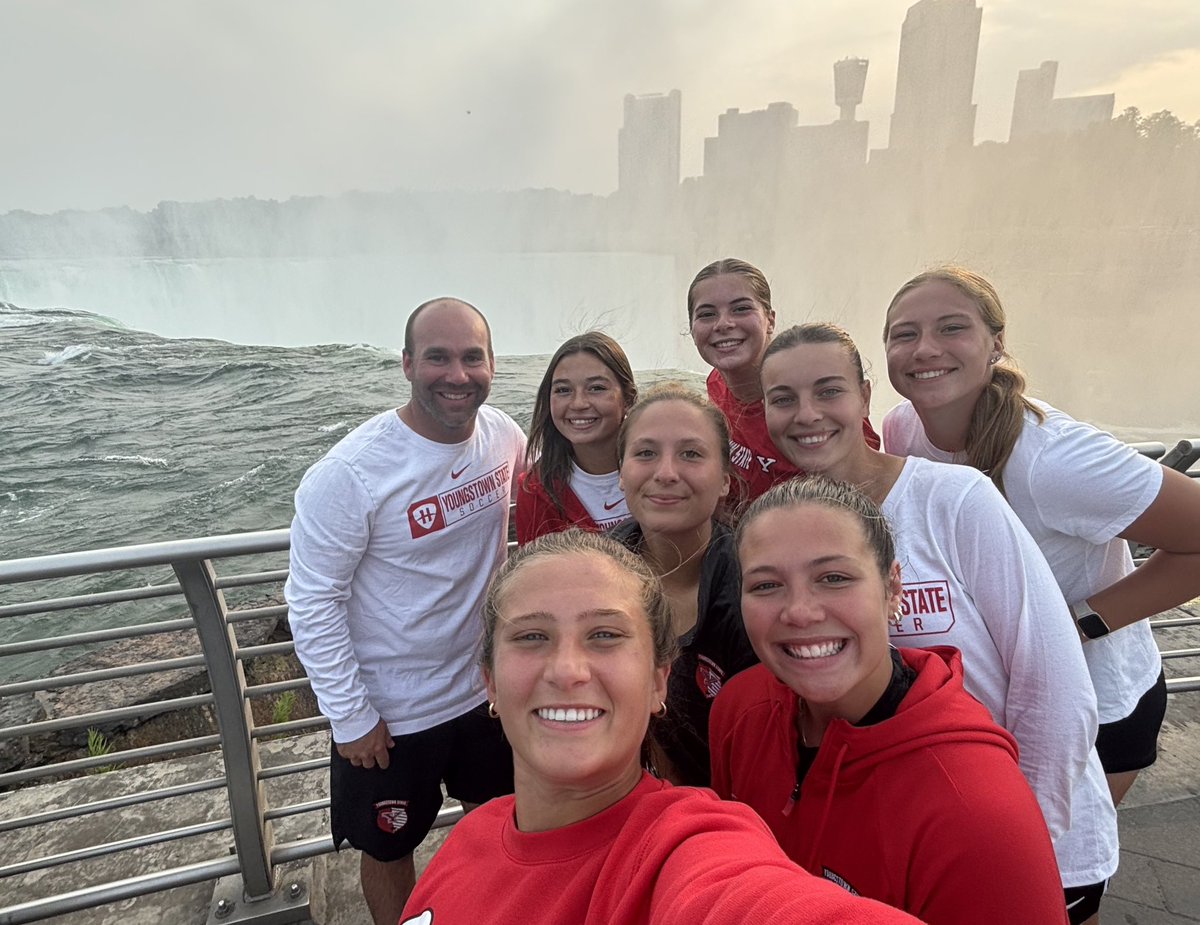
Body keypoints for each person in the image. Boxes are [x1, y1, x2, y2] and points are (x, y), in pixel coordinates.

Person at [759, 322, 1115, 924]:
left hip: (1028, 833)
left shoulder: (953, 500)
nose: (807, 414)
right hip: (899, 835)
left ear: (865, 395)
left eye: (828, 390)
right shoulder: (798, 521)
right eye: (783, 398)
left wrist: (1016, 837)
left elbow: (1055, 686)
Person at [400, 529, 927, 925]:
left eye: (605, 635)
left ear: (658, 681)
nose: (567, 670)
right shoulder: (470, 837)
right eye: (531, 637)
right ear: (490, 682)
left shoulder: (682, 853)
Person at [882, 267, 1199, 810]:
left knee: (1053, 858)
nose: (925, 348)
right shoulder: (901, 429)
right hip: (994, 701)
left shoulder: (1054, 459)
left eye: (952, 327)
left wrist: (1079, 624)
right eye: (904, 334)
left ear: (996, 343)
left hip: (1095, 706)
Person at [711, 477, 1067, 925]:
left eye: (834, 578)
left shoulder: (980, 813)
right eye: (766, 585)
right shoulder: (740, 709)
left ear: (892, 588)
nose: (799, 611)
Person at [284, 297, 527, 925]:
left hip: (485, 693)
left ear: (493, 364)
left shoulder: (502, 437)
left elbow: (557, 496)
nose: (457, 375)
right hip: (391, 717)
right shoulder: (350, 474)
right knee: (389, 848)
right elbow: (312, 602)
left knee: (501, 823)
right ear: (407, 364)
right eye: (438, 358)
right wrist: (350, 717)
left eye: (472, 358)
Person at [610, 383, 757, 786]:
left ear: (725, 479)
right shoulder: (591, 578)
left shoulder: (757, 590)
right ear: (621, 473)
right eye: (645, 453)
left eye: (691, 454)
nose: (666, 473)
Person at [686, 258, 879, 504]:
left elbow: (864, 482)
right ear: (691, 329)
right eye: (707, 314)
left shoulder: (814, 401)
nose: (723, 324)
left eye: (741, 309)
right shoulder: (716, 385)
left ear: (770, 319)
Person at [516, 332, 636, 543]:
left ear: (628, 398)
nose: (578, 403)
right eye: (563, 390)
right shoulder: (536, 491)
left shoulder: (660, 471)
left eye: (596, 388)